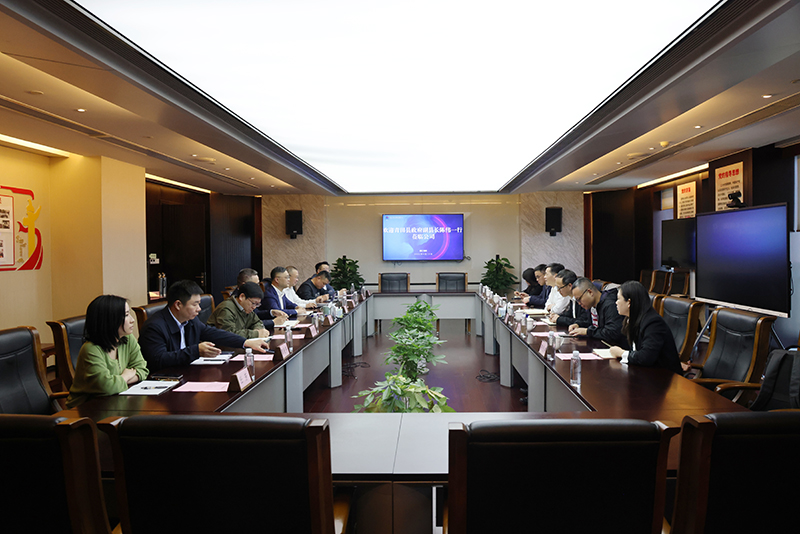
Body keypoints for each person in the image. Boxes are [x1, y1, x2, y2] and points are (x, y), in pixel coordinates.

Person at [139, 280, 269, 371]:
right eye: (195, 304)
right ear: (178, 305)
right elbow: (159, 360)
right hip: (164, 380)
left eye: (199, 304)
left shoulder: (191, 320)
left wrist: (245, 342)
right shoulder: (154, 327)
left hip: (187, 373)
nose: (199, 309)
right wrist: (196, 351)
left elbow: (213, 333)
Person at [66, 295, 149, 408]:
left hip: (114, 403)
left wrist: (117, 382)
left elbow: (143, 370)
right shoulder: (91, 349)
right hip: (86, 409)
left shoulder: (127, 339)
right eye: (126, 315)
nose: (132, 320)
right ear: (110, 320)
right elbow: (106, 387)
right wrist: (125, 376)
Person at [608, 281, 683, 373]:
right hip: (644, 372)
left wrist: (621, 353)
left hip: (664, 377)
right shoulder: (631, 319)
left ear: (629, 302)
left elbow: (646, 357)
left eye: (618, 299)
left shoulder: (653, 323)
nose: (616, 303)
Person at [568, 277, 629, 348]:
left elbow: (612, 333)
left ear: (590, 292)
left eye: (579, 299)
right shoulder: (591, 305)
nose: (579, 303)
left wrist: (587, 331)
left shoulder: (610, 305)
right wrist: (578, 324)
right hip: (599, 345)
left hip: (615, 348)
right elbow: (589, 322)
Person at [206, 282, 270, 339]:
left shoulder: (247, 308)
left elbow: (257, 322)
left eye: (257, 304)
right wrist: (255, 334)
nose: (254, 307)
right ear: (242, 297)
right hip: (216, 346)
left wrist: (258, 329)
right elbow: (229, 334)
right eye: (253, 303)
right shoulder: (226, 309)